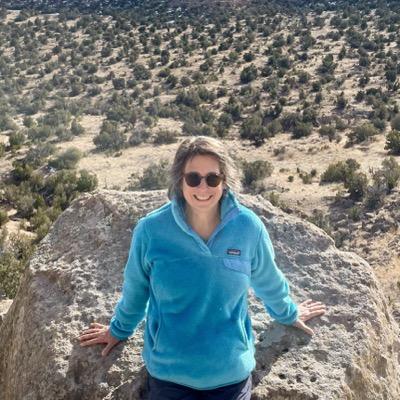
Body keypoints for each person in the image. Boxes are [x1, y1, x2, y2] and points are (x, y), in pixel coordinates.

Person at [79, 136, 326, 400]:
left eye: (213, 178)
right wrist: (118, 329)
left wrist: (289, 313)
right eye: (193, 178)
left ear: (225, 180)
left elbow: (268, 279)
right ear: (180, 180)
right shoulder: (151, 230)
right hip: (169, 375)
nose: (203, 187)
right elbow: (136, 290)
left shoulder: (247, 228)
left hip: (229, 375)